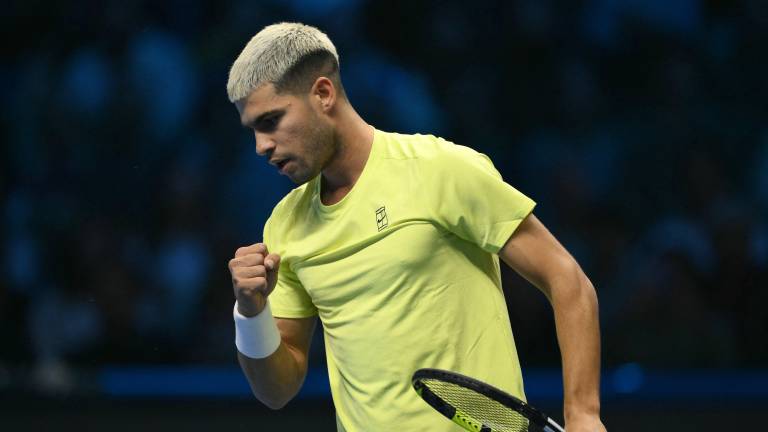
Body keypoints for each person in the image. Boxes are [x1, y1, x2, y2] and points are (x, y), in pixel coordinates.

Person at [225, 22, 606, 432]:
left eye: (271, 120)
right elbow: (277, 390)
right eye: (254, 130)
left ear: (323, 94)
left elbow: (567, 279)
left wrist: (583, 414)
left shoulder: (439, 169)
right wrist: (251, 312)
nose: (261, 146)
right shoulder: (284, 225)